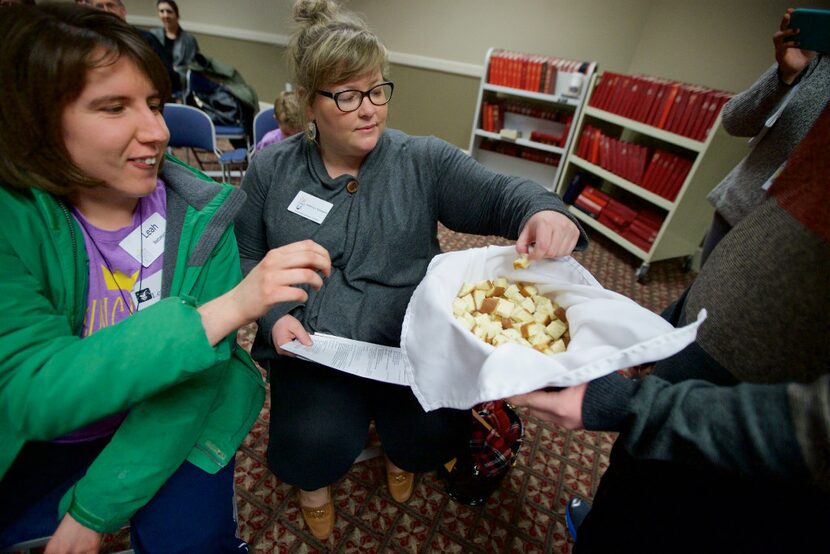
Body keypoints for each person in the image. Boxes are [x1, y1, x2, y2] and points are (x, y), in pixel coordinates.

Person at [234, 0, 586, 542]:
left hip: (406, 340)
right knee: (310, 445)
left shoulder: (420, 160)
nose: (369, 108)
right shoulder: (271, 169)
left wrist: (544, 210)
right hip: (312, 340)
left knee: (429, 436)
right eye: (347, 95)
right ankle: (313, 487)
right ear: (308, 103)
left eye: (377, 90)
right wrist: (276, 314)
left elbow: (499, 193)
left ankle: (401, 458)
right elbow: (248, 253)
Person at [0, 5, 330, 553]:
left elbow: (191, 391)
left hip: (179, 416)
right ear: (38, 122)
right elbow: (34, 391)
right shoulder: (14, 222)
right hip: (49, 437)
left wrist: (93, 510)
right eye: (113, 108)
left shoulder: (205, 216)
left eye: (154, 104)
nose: (156, 131)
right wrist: (228, 308)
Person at [510, 102, 830, 552]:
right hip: (701, 342)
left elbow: (815, 428)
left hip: (746, 419)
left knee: (688, 516)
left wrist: (633, 407)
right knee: (637, 478)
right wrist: (669, 325)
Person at [701, 7, 829, 264]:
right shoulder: (816, 55)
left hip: (797, 244)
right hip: (737, 212)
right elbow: (734, 122)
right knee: (694, 301)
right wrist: (784, 75)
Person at [90, 0, 181, 99]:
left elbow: (169, 78)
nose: (106, 11)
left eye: (110, 5)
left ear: (122, 10)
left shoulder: (146, 39)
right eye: (99, 7)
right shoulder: (87, 43)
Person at [149, 0, 199, 89]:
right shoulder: (152, 35)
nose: (165, 15)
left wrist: (175, 71)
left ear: (177, 15)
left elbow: (193, 66)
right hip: (156, 82)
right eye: (161, 11)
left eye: (169, 11)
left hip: (180, 84)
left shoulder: (188, 40)